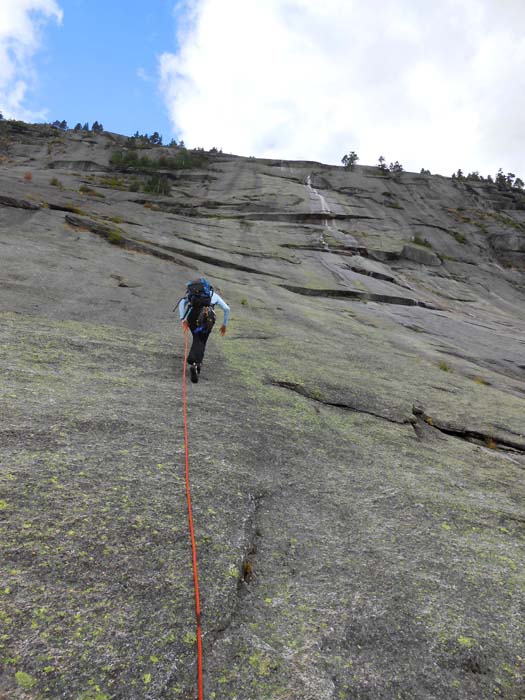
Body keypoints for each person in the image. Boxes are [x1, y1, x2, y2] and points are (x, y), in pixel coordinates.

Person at [178, 279, 230, 383]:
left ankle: (197, 364)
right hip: (207, 318)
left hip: (192, 316)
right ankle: (195, 362)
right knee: (202, 340)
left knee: (197, 338)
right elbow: (227, 308)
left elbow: (182, 302)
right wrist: (224, 324)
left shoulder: (193, 294)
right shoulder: (213, 295)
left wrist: (183, 319)